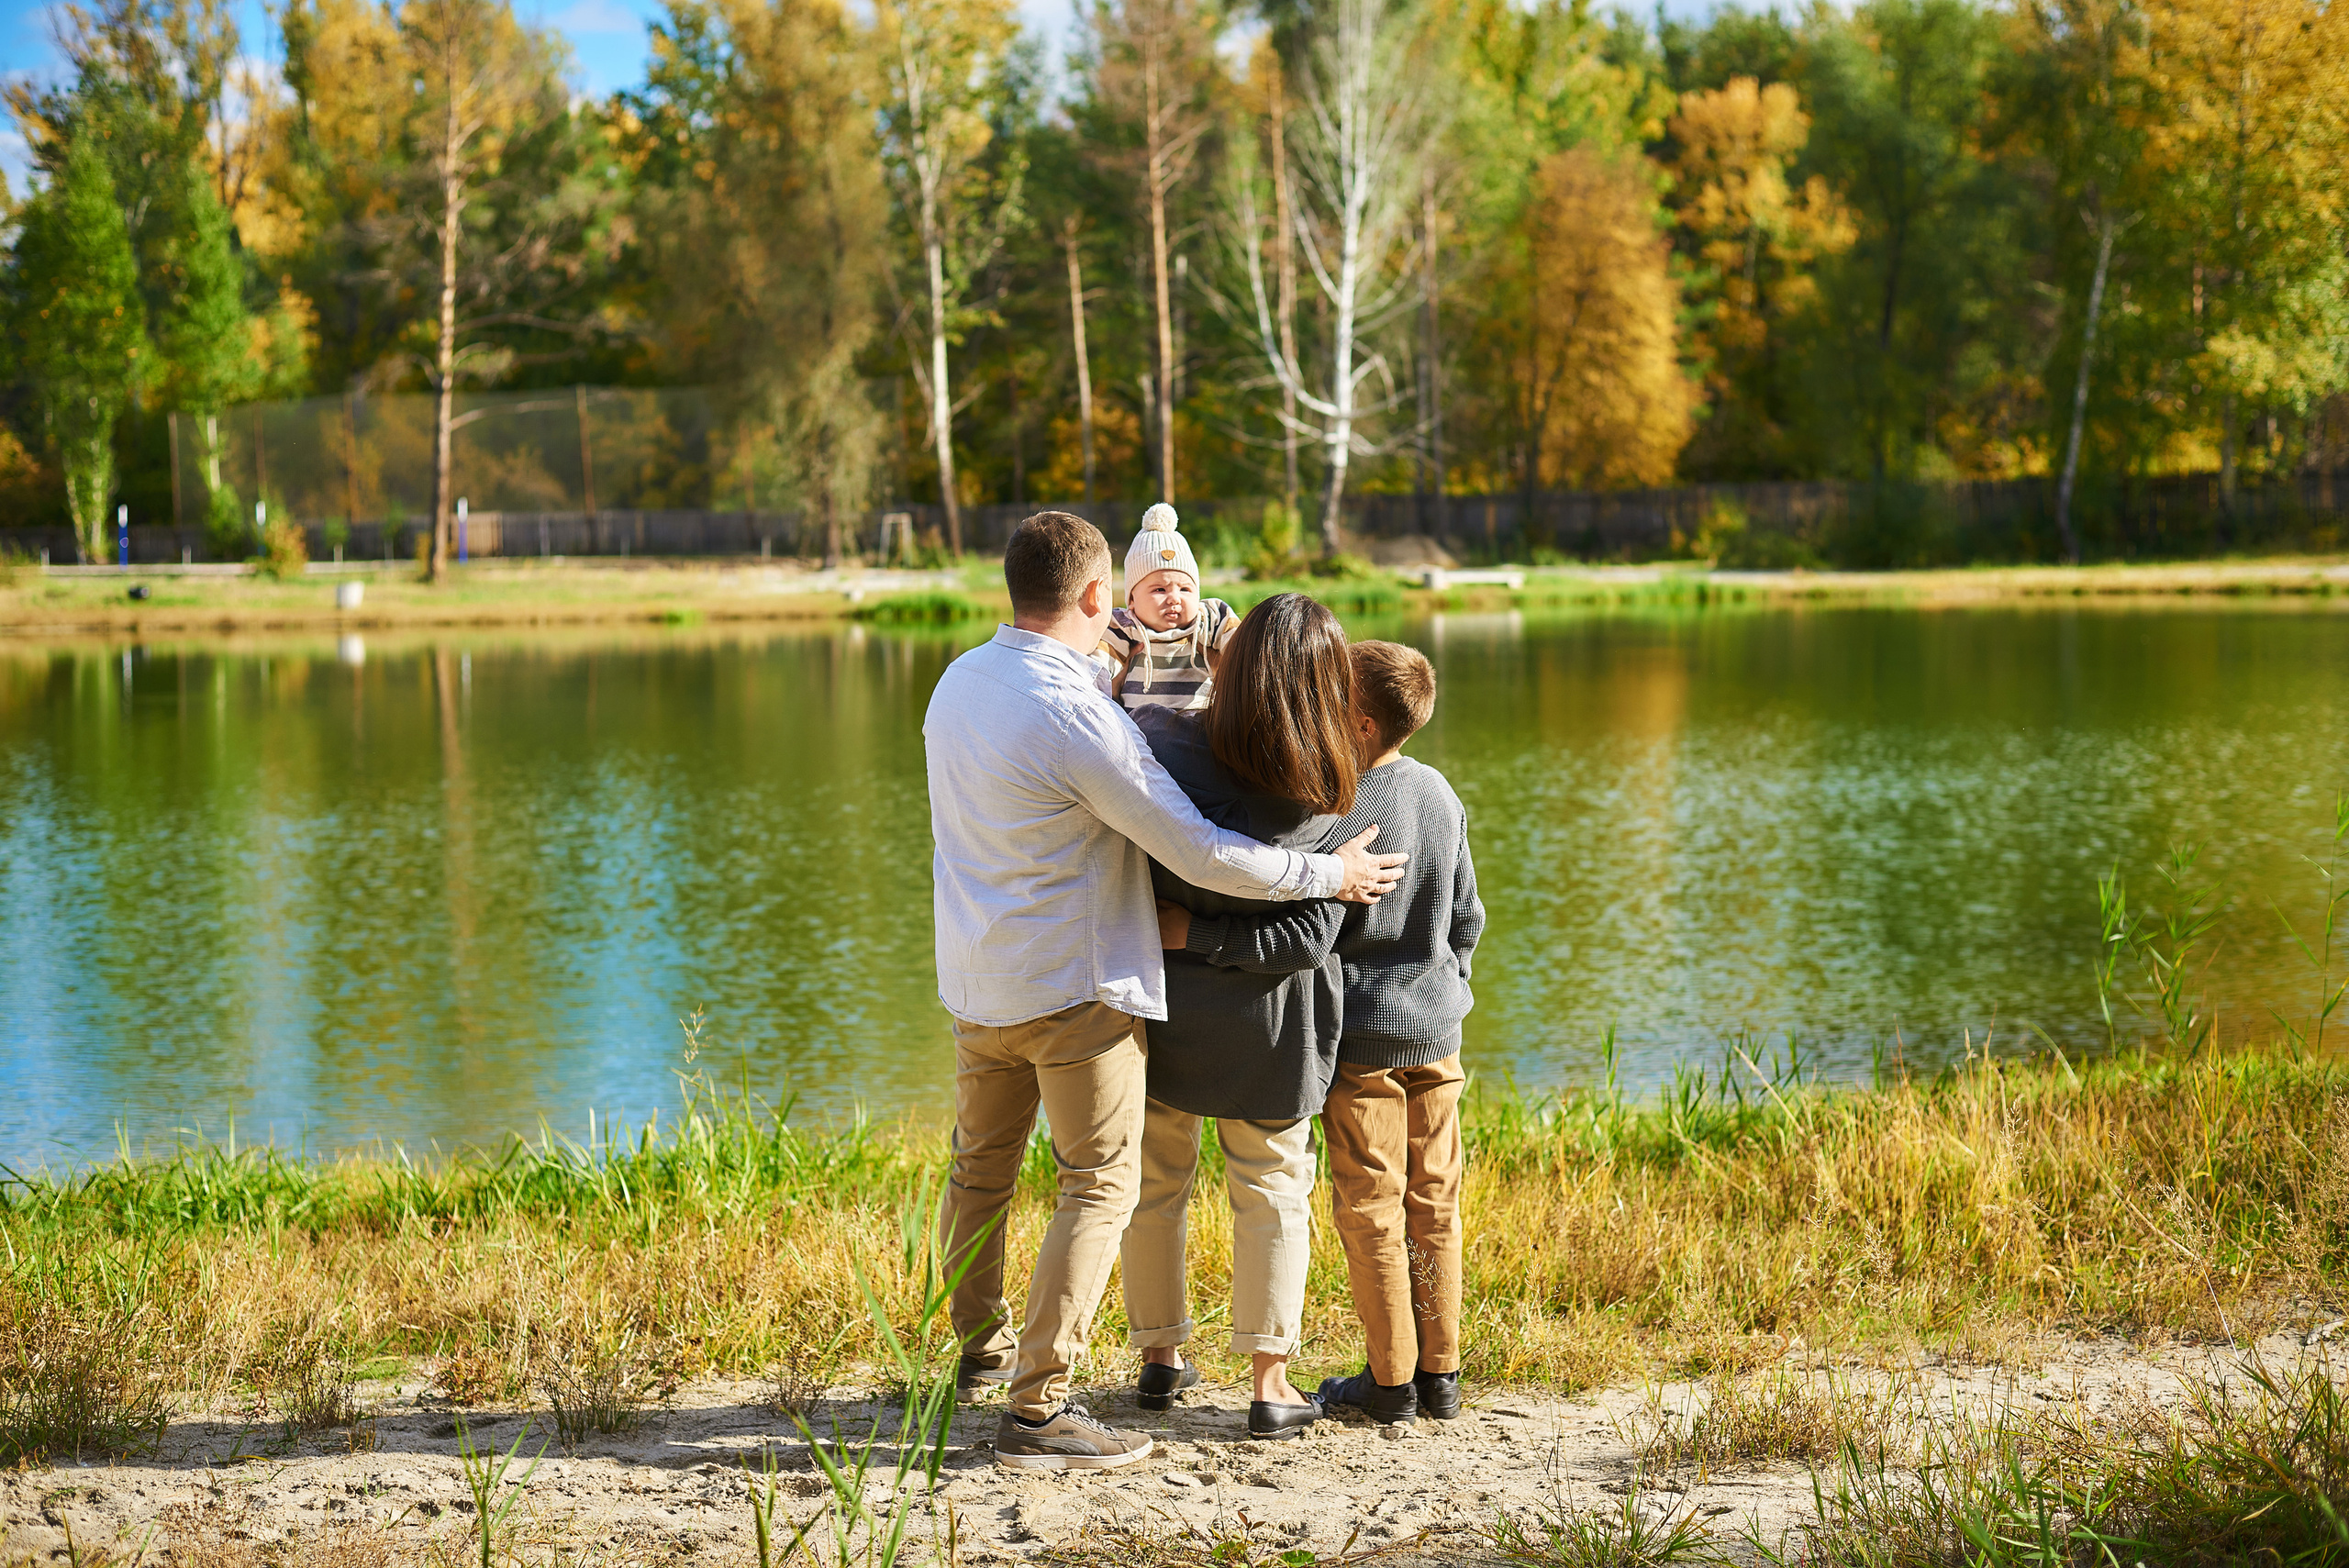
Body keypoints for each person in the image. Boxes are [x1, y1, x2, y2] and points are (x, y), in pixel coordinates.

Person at [923, 513, 1406, 1473]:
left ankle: (979, 1349)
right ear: (1099, 595)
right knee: (1100, 1182)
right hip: (1073, 985)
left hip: (977, 976)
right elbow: (1200, 851)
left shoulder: (958, 680)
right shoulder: (1083, 716)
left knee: (980, 1170)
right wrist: (1330, 875)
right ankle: (1038, 1408)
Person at [1177, 640, 1484, 1429]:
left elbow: (1304, 935)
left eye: (1330, 695)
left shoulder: (1336, 807)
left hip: (1364, 1044)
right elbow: (1468, 918)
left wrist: (1197, 936)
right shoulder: (1439, 791)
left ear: (1361, 721)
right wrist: (1449, 991)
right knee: (1436, 1201)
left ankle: (1390, 1382)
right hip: (1438, 1035)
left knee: (1372, 1208)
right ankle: (1441, 1375)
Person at [1118, 594, 1362, 1441]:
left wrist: (1190, 931)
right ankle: (1269, 1380)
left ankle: (1160, 1356)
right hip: (1273, 1024)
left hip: (1168, 1012)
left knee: (1154, 1184)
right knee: (1271, 1190)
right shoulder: (1329, 786)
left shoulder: (1159, 744)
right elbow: (1310, 936)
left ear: (1235, 660)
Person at [1088, 504, 1239, 711]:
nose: (1174, 599)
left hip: (1199, 722)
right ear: (1132, 599)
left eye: (1185, 589)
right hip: (1142, 726)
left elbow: (1243, 646)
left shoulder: (1209, 618)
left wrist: (1234, 662)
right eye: (1160, 589)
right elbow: (1096, 672)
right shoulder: (1124, 627)